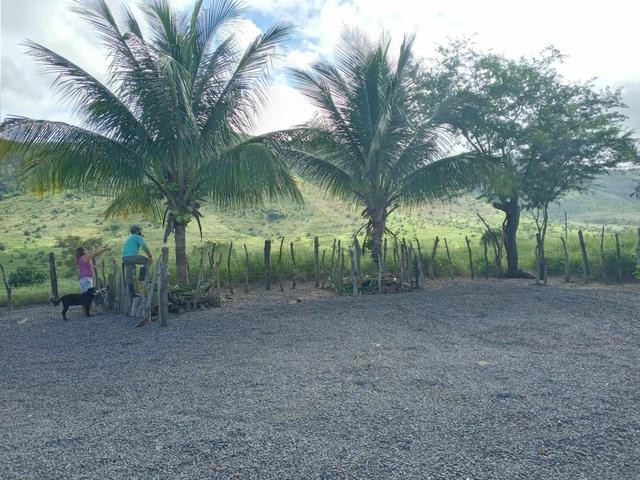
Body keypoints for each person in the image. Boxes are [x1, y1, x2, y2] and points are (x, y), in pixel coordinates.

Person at [123, 225, 153, 298]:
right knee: (147, 261)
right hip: (132, 256)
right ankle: (142, 277)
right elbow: (144, 247)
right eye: (139, 230)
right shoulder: (138, 237)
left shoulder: (129, 239)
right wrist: (150, 256)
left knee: (129, 276)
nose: (140, 232)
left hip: (125, 258)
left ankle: (132, 294)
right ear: (137, 231)